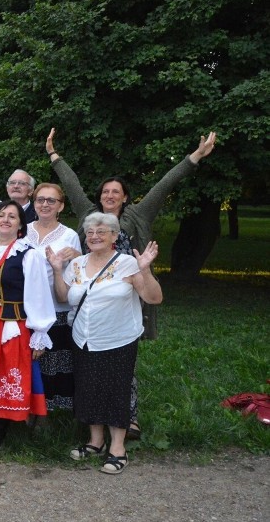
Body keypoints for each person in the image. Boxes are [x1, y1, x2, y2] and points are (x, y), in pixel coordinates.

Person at [46, 127, 216, 438]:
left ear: (125, 197)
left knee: (125, 365)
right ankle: (94, 419)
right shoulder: (89, 216)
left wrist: (195, 157)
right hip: (92, 303)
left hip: (128, 300)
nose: (109, 196)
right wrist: (54, 157)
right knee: (90, 364)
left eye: (115, 192)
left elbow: (165, 184)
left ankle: (129, 418)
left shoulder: (139, 216)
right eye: (105, 192)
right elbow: (71, 187)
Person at [47, 212, 163, 475]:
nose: (95, 237)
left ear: (114, 236)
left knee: (115, 390)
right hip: (83, 338)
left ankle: (118, 448)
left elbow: (153, 298)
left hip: (117, 338)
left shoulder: (127, 264)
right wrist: (57, 270)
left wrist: (144, 269)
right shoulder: (77, 264)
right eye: (90, 233)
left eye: (102, 232)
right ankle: (95, 442)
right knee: (88, 388)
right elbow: (64, 296)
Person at [0, 200, 56, 450]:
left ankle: (0, 426)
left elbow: (38, 293)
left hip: (10, 323)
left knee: (5, 370)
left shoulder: (28, 254)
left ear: (21, 224)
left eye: (12, 216)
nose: (6, 220)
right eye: (1, 215)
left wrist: (40, 332)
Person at [25, 183, 81, 411]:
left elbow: (79, 271)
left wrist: (77, 255)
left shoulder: (70, 235)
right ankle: (27, 407)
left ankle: (51, 411)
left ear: (61, 206)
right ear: (34, 203)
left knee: (53, 362)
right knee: (28, 362)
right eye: (40, 199)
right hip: (24, 308)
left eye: (51, 200)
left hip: (57, 307)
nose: (45, 204)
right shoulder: (23, 229)